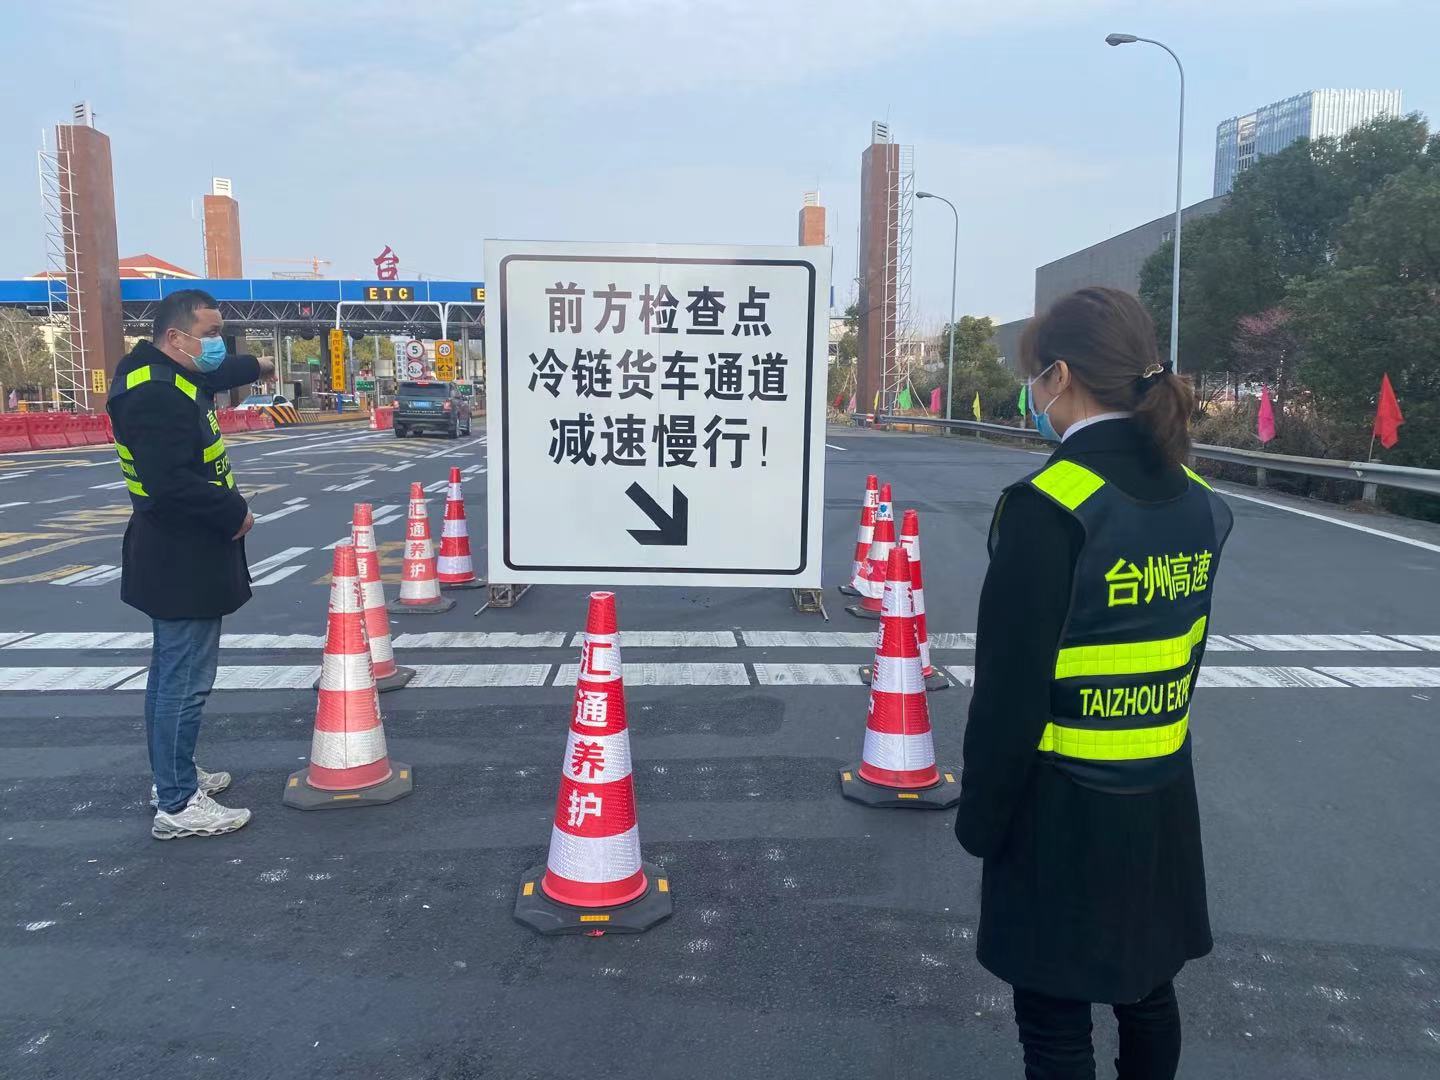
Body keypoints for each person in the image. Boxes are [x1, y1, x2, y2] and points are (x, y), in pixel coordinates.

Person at [955, 287, 1233, 1080]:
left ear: (1062, 376)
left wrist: (982, 820)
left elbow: (1008, 696)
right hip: (1161, 794)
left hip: (1059, 806)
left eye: (1036, 377)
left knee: (1055, 1024)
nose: (1034, 393)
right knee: (1147, 990)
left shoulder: (1051, 505)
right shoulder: (1198, 501)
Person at [107, 289, 274, 840]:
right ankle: (177, 803)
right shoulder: (153, 394)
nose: (217, 345)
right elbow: (170, 483)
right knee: (184, 680)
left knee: (171, 675)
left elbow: (219, 373)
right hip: (181, 553)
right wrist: (235, 512)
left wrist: (259, 364)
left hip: (178, 548)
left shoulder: (165, 371)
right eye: (210, 335)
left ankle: (173, 775)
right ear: (177, 337)